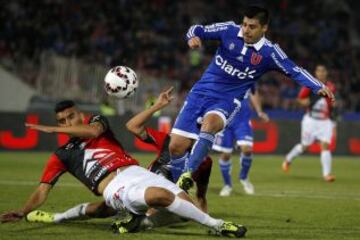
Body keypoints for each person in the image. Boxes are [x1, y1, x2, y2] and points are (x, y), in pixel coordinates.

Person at [0, 97, 245, 237]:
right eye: (61, 121)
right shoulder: (61, 155)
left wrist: (54, 129)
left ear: (81, 115)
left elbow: (92, 131)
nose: (67, 122)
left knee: (182, 201)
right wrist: (23, 211)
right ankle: (219, 225)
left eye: (71, 117)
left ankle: (130, 218)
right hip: (114, 185)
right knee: (160, 197)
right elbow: (43, 190)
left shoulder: (97, 124)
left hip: (137, 172)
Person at [170, 5, 335, 191]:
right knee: (176, 147)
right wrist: (192, 37)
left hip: (227, 101)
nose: (246, 30)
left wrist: (317, 86)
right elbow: (196, 29)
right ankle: (177, 194)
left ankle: (187, 175)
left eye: (252, 26)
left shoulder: (270, 52)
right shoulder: (229, 30)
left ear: (264, 28)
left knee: (210, 124)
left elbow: (294, 70)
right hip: (199, 94)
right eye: (245, 24)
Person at [24, 88, 213, 231]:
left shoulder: (205, 162)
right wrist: (157, 106)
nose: (190, 134)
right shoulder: (167, 141)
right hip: (143, 182)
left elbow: (201, 195)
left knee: (135, 215)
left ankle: (147, 220)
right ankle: (58, 218)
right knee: (113, 209)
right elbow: (132, 126)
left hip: (160, 192)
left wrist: (203, 216)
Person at [283, 64, 336, 182]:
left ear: (326, 73)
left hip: (324, 121)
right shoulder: (309, 86)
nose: (321, 73)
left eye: (323, 71)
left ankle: (327, 175)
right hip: (310, 121)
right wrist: (304, 102)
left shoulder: (331, 86)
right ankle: (288, 159)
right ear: (316, 73)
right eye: (319, 71)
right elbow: (300, 99)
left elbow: (331, 102)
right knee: (304, 146)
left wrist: (333, 108)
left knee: (325, 146)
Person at [213, 89, 269, 196]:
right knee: (225, 155)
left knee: (247, 149)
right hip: (225, 120)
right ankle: (227, 185)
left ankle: (244, 177)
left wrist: (259, 111)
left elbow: (254, 92)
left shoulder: (247, 75)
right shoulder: (224, 77)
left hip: (242, 120)